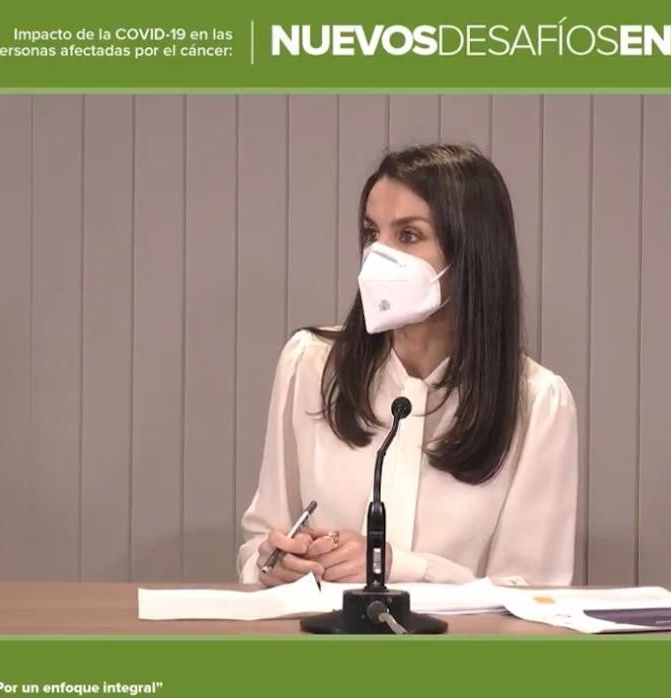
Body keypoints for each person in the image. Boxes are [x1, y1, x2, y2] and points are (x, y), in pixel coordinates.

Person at [237, 143, 578, 587]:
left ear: (471, 253)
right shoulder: (311, 363)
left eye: (409, 236)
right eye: (371, 233)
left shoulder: (538, 402)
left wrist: (399, 567)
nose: (378, 256)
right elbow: (260, 544)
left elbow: (530, 595)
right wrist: (273, 563)